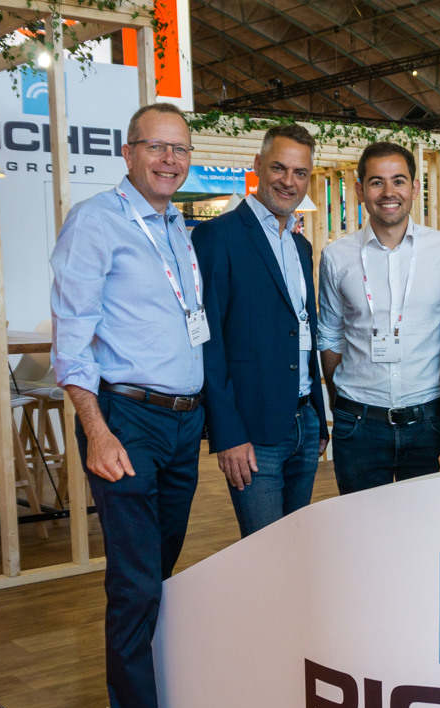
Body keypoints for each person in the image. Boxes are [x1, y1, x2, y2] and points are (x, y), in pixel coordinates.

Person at [50, 102, 203, 708]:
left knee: (157, 574)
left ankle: (125, 698)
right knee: (137, 586)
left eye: (180, 149)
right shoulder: (96, 221)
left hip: (182, 425)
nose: (169, 160)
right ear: (128, 151)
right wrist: (96, 428)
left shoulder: (176, 227)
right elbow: (72, 335)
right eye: (156, 147)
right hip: (128, 420)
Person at [194, 124, 328, 537]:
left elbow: (303, 331)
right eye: (279, 168)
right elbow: (208, 344)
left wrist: (319, 419)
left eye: (300, 172)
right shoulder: (217, 237)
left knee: (294, 549)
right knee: (264, 555)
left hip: (304, 423)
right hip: (252, 433)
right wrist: (227, 434)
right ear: (257, 165)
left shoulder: (301, 246)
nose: (289, 181)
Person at [318, 141, 440, 493]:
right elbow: (329, 333)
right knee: (361, 523)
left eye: (399, 181)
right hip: (358, 425)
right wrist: (340, 401)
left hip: (430, 424)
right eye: (377, 182)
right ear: (360, 190)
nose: (389, 192)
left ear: (415, 188)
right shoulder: (336, 256)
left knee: (427, 524)